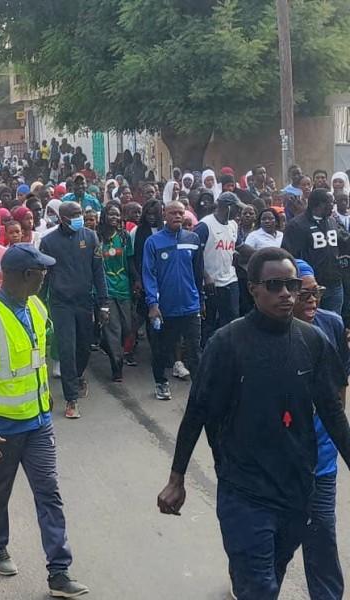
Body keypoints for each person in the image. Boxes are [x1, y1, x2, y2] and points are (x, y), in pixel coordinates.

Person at [157, 247, 350, 600]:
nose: (286, 294)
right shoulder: (227, 344)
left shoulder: (312, 341)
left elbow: (333, 414)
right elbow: (197, 412)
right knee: (259, 587)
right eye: (274, 285)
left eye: (291, 285)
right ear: (253, 288)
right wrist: (176, 478)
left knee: (270, 575)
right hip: (244, 490)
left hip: (296, 489)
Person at [0, 243, 89, 598]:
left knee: (49, 494)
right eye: (42, 270)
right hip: (0, 430)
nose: (46, 275)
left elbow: (36, 362)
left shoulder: (37, 307)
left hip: (39, 423)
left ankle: (59, 572)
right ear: (26, 275)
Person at [291, 259, 347, 600]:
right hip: (276, 460)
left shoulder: (333, 324)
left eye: (317, 293)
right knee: (269, 540)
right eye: (305, 294)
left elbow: (340, 384)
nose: (312, 300)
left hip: (321, 458)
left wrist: (334, 421)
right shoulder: (255, 335)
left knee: (322, 533)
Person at [39, 201, 108, 418]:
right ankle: (71, 399)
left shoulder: (90, 237)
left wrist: (104, 303)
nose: (80, 217)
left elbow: (99, 272)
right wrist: (39, 306)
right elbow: (44, 277)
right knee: (67, 349)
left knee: (84, 346)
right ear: (62, 218)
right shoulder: (48, 242)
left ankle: (77, 376)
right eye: (75, 214)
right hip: (61, 304)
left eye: (81, 213)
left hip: (84, 302)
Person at [142, 201, 204, 400]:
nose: (177, 216)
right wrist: (152, 304)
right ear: (164, 215)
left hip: (190, 306)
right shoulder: (153, 242)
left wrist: (200, 299)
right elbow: (149, 274)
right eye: (173, 213)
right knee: (162, 351)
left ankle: (200, 389)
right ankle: (161, 383)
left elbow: (198, 273)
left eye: (180, 213)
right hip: (164, 310)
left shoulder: (193, 239)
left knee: (194, 350)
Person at [282, 189, 343, 314]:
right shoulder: (296, 225)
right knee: (312, 321)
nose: (334, 206)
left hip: (334, 283)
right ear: (319, 204)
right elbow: (289, 256)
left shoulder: (332, 221)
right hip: (311, 288)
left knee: (333, 321)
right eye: (331, 203)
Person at [97, 201, 137, 381]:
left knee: (127, 328)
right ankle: (117, 366)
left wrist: (136, 281)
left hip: (124, 287)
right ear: (104, 217)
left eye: (117, 214)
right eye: (110, 214)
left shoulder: (125, 237)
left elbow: (130, 261)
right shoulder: (96, 237)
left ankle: (105, 343)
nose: (114, 217)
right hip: (106, 289)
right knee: (113, 328)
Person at [194, 192, 240, 341]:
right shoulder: (205, 225)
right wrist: (206, 276)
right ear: (227, 207)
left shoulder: (233, 225)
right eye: (236, 209)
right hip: (211, 283)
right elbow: (195, 254)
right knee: (209, 323)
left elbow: (238, 245)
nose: (238, 212)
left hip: (230, 279)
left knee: (232, 320)